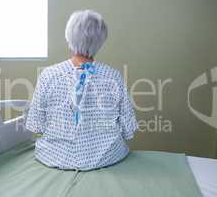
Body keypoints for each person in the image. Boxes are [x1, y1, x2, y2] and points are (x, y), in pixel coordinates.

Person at [25, 10, 138, 171]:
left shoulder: (48, 75)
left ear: (69, 37)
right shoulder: (113, 76)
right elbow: (128, 128)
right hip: (106, 156)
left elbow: (36, 124)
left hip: (54, 155)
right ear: (100, 41)